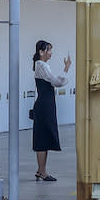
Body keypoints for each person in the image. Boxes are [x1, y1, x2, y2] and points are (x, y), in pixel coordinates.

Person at [32, 40, 71, 181]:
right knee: (42, 138)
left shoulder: (42, 65)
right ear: (41, 52)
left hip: (45, 104)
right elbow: (56, 82)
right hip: (44, 106)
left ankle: (41, 170)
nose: (51, 53)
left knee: (45, 136)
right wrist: (66, 68)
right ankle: (43, 172)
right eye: (48, 50)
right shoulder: (41, 65)